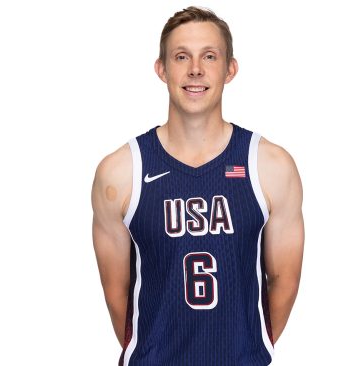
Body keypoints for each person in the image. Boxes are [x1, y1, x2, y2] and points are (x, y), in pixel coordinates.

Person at [91, 6, 304, 365]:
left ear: (230, 69)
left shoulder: (270, 165)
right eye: (181, 57)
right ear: (161, 69)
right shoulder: (120, 172)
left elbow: (284, 278)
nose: (195, 70)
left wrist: (246, 350)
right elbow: (117, 294)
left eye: (209, 56)